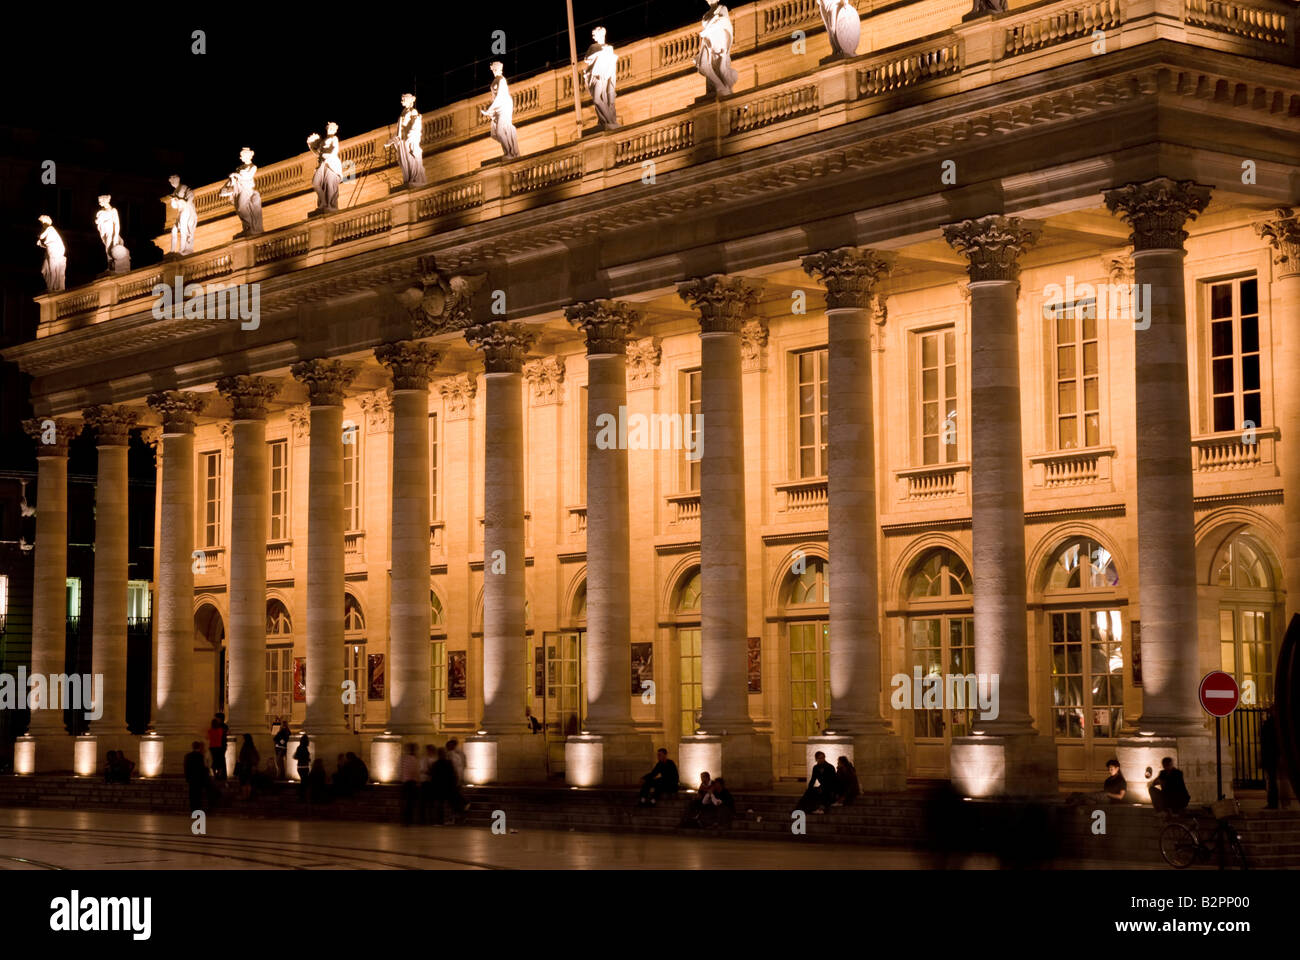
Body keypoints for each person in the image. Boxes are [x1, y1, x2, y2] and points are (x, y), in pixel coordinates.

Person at [429, 747, 455, 825]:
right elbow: (452, 775)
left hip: (438, 787)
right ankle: (447, 820)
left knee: (439, 805)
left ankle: (439, 821)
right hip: (446, 787)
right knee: (447, 804)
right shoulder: (448, 763)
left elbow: (432, 776)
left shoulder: (435, 764)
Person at [445, 739, 469, 822]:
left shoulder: (452, 755)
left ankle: (464, 804)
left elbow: (455, 768)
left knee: (454, 799)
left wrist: (457, 779)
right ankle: (460, 813)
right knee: (454, 798)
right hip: (455, 779)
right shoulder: (457, 755)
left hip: (452, 780)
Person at [1261, 706, 1280, 810]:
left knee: (1271, 781)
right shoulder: (1274, 724)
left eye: (1263, 714)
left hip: (1270, 756)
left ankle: (1272, 803)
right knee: (1271, 780)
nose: (1262, 716)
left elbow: (1267, 743)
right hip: (1272, 756)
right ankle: (1272, 802)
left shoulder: (1269, 725)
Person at [184, 741, 210, 813]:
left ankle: (193, 809)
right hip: (199, 779)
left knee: (192, 794)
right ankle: (197, 809)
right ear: (199, 747)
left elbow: (186, 767)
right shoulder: (201, 756)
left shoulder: (188, 756)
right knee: (198, 794)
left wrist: (187, 777)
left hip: (191, 779)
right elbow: (204, 768)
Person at [399, 743, 421, 825]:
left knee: (405, 802)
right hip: (411, 783)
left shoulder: (403, 758)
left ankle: (404, 819)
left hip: (404, 782)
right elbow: (415, 772)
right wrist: (418, 782)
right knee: (410, 802)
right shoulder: (414, 759)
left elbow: (400, 770)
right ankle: (408, 820)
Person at [237, 733, 259, 799]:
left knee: (243, 782)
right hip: (250, 767)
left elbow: (242, 757)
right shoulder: (252, 746)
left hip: (245, 767)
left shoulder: (245, 747)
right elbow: (257, 757)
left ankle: (245, 796)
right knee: (249, 782)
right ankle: (248, 795)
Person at [208, 713, 229, 781]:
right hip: (220, 746)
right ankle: (220, 775)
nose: (216, 719)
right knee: (219, 760)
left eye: (217, 717)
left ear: (220, 718)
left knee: (221, 760)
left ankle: (221, 775)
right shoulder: (220, 727)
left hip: (221, 746)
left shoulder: (223, 726)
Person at [293, 734, 312, 800]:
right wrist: (308, 759)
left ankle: (301, 795)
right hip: (305, 767)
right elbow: (307, 758)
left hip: (300, 767)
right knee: (304, 782)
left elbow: (295, 756)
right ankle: (301, 796)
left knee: (303, 781)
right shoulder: (305, 748)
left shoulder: (299, 747)